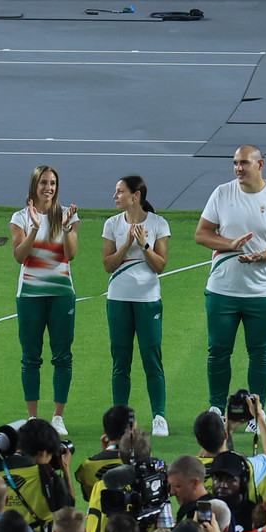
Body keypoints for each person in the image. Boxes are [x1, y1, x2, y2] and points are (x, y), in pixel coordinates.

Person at [195, 145, 266, 414]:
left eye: (244, 163)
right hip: (222, 290)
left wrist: (261, 255)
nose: (238, 168)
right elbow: (202, 234)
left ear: (260, 165)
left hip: (261, 292)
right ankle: (217, 409)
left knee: (260, 355)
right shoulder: (222, 193)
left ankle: (256, 411)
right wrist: (230, 243)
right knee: (218, 352)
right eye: (235, 163)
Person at [11, 164, 80, 436]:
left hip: (62, 293)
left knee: (62, 356)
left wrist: (64, 228)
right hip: (29, 294)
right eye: (43, 183)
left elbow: (71, 254)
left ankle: (58, 417)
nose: (48, 188)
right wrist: (34, 228)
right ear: (34, 186)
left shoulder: (68, 216)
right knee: (31, 357)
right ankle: (33, 416)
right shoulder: (20, 217)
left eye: (52, 183)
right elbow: (20, 256)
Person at [103, 175, 171, 435]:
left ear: (136, 196)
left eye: (119, 192)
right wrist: (126, 245)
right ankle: (121, 419)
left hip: (148, 300)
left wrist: (144, 245)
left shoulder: (158, 224)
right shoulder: (112, 224)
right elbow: (108, 264)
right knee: (121, 360)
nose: (115, 196)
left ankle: (159, 417)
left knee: (151, 357)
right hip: (118, 299)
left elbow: (160, 265)